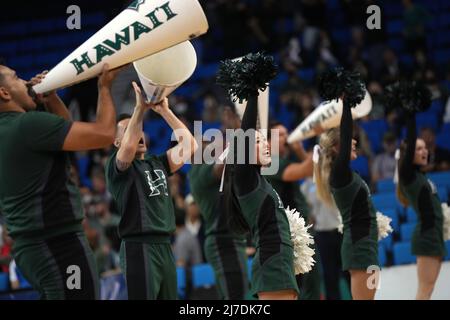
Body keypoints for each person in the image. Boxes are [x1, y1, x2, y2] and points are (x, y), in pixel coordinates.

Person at [0, 63, 120, 299]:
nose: (26, 82)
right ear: (4, 93)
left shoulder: (16, 128)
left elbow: (62, 133)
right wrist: (104, 88)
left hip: (33, 247)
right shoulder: (27, 126)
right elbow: (105, 134)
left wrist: (52, 98)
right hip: (58, 244)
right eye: (16, 77)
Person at [105, 82, 198, 300]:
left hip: (165, 245)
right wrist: (139, 109)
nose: (137, 133)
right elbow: (127, 149)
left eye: (138, 129)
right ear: (117, 141)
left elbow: (190, 146)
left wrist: (165, 111)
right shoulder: (116, 167)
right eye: (129, 130)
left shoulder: (158, 162)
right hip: (139, 246)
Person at [314, 69, 379, 300]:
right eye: (347, 140)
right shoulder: (338, 174)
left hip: (365, 246)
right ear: (335, 149)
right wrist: (346, 105)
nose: (354, 142)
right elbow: (346, 131)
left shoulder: (346, 174)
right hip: (359, 248)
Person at [188, 105, 249, 300]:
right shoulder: (198, 172)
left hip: (230, 238)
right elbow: (222, 164)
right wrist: (238, 131)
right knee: (235, 297)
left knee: (234, 295)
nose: (212, 145)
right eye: (205, 143)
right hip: (222, 241)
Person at [396, 94, 446, 300]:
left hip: (434, 236)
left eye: (425, 147)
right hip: (425, 237)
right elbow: (409, 144)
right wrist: (411, 114)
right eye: (418, 149)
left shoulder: (420, 175)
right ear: (409, 154)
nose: (424, 151)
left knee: (429, 290)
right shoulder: (408, 175)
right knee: (424, 291)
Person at [266, 122, 321, 300]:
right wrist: (316, 145)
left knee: (311, 283)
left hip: (300, 231)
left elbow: (313, 171)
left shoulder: (285, 159)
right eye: (280, 135)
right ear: (268, 142)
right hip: (287, 234)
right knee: (298, 286)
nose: (287, 138)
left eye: (287, 133)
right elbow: (303, 170)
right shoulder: (270, 163)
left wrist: (298, 150)